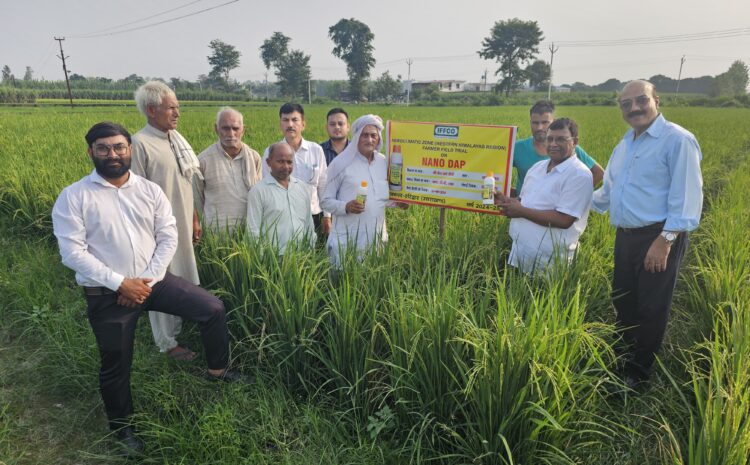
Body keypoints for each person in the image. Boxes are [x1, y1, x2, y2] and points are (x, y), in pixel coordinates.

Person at [51, 122, 247, 458]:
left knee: (212, 308)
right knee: (116, 361)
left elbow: (168, 235)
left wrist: (145, 280)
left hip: (153, 281)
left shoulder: (148, 190)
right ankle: (122, 428)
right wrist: (120, 283)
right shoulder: (75, 196)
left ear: (129, 149)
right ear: (91, 152)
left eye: (119, 147)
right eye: (104, 148)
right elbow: (73, 253)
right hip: (107, 294)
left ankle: (218, 369)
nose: (113, 154)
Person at [592, 80, 703, 389]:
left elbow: (687, 196)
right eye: (626, 104)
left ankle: (638, 374)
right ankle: (623, 356)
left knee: (651, 305)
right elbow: (608, 192)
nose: (634, 108)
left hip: (658, 235)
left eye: (641, 100)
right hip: (625, 235)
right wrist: (567, 203)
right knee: (624, 297)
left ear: (657, 101)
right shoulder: (625, 144)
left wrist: (665, 241)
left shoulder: (677, 140)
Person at [130, 80, 202, 361]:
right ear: (151, 110)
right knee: (161, 283)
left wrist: (194, 217)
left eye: (177, 107)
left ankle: (179, 329)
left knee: (181, 279)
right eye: (171, 107)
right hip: (158, 233)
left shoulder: (176, 140)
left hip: (182, 225)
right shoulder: (140, 143)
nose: (177, 113)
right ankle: (167, 343)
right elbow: (135, 196)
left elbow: (186, 185)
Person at [496, 118, 593, 273]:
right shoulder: (537, 168)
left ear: (575, 142)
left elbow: (564, 219)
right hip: (520, 253)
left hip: (550, 264)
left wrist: (519, 210)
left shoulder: (579, 175)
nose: (553, 144)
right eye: (550, 139)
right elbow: (525, 201)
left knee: (545, 297)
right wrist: (508, 202)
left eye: (561, 139)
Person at [321, 114, 407, 267]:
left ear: (379, 138)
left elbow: (381, 197)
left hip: (376, 240)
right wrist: (346, 206)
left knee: (373, 284)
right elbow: (325, 201)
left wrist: (399, 203)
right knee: (344, 285)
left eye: (373, 135)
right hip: (347, 241)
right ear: (356, 137)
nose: (369, 139)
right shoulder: (340, 164)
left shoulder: (383, 162)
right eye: (364, 135)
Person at [262, 103, 331, 237]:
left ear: (303, 124)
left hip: (313, 215)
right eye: (285, 120)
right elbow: (266, 186)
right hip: (283, 217)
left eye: (295, 120)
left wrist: (327, 216)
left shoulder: (315, 150)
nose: (290, 125)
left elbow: (323, 185)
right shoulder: (271, 152)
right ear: (280, 124)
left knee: (315, 255)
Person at [512, 100, 603, 194]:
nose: (539, 127)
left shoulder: (568, 149)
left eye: (545, 122)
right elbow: (500, 171)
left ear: (553, 122)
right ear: (530, 122)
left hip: (556, 208)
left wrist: (576, 194)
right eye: (535, 123)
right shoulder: (516, 147)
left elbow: (598, 173)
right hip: (522, 205)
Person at [195, 107, 262, 233]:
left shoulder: (254, 158)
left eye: (235, 128)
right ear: (216, 129)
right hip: (215, 235)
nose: (231, 134)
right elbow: (197, 201)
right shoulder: (203, 161)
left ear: (243, 130)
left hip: (249, 234)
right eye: (225, 128)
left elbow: (259, 197)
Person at [247, 142, 315, 254]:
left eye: (289, 162)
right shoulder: (258, 191)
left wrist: (310, 252)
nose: (285, 167)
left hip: (302, 256)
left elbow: (309, 225)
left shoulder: (302, 188)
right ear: (269, 162)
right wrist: (262, 260)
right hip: (273, 258)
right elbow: (253, 230)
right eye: (280, 161)